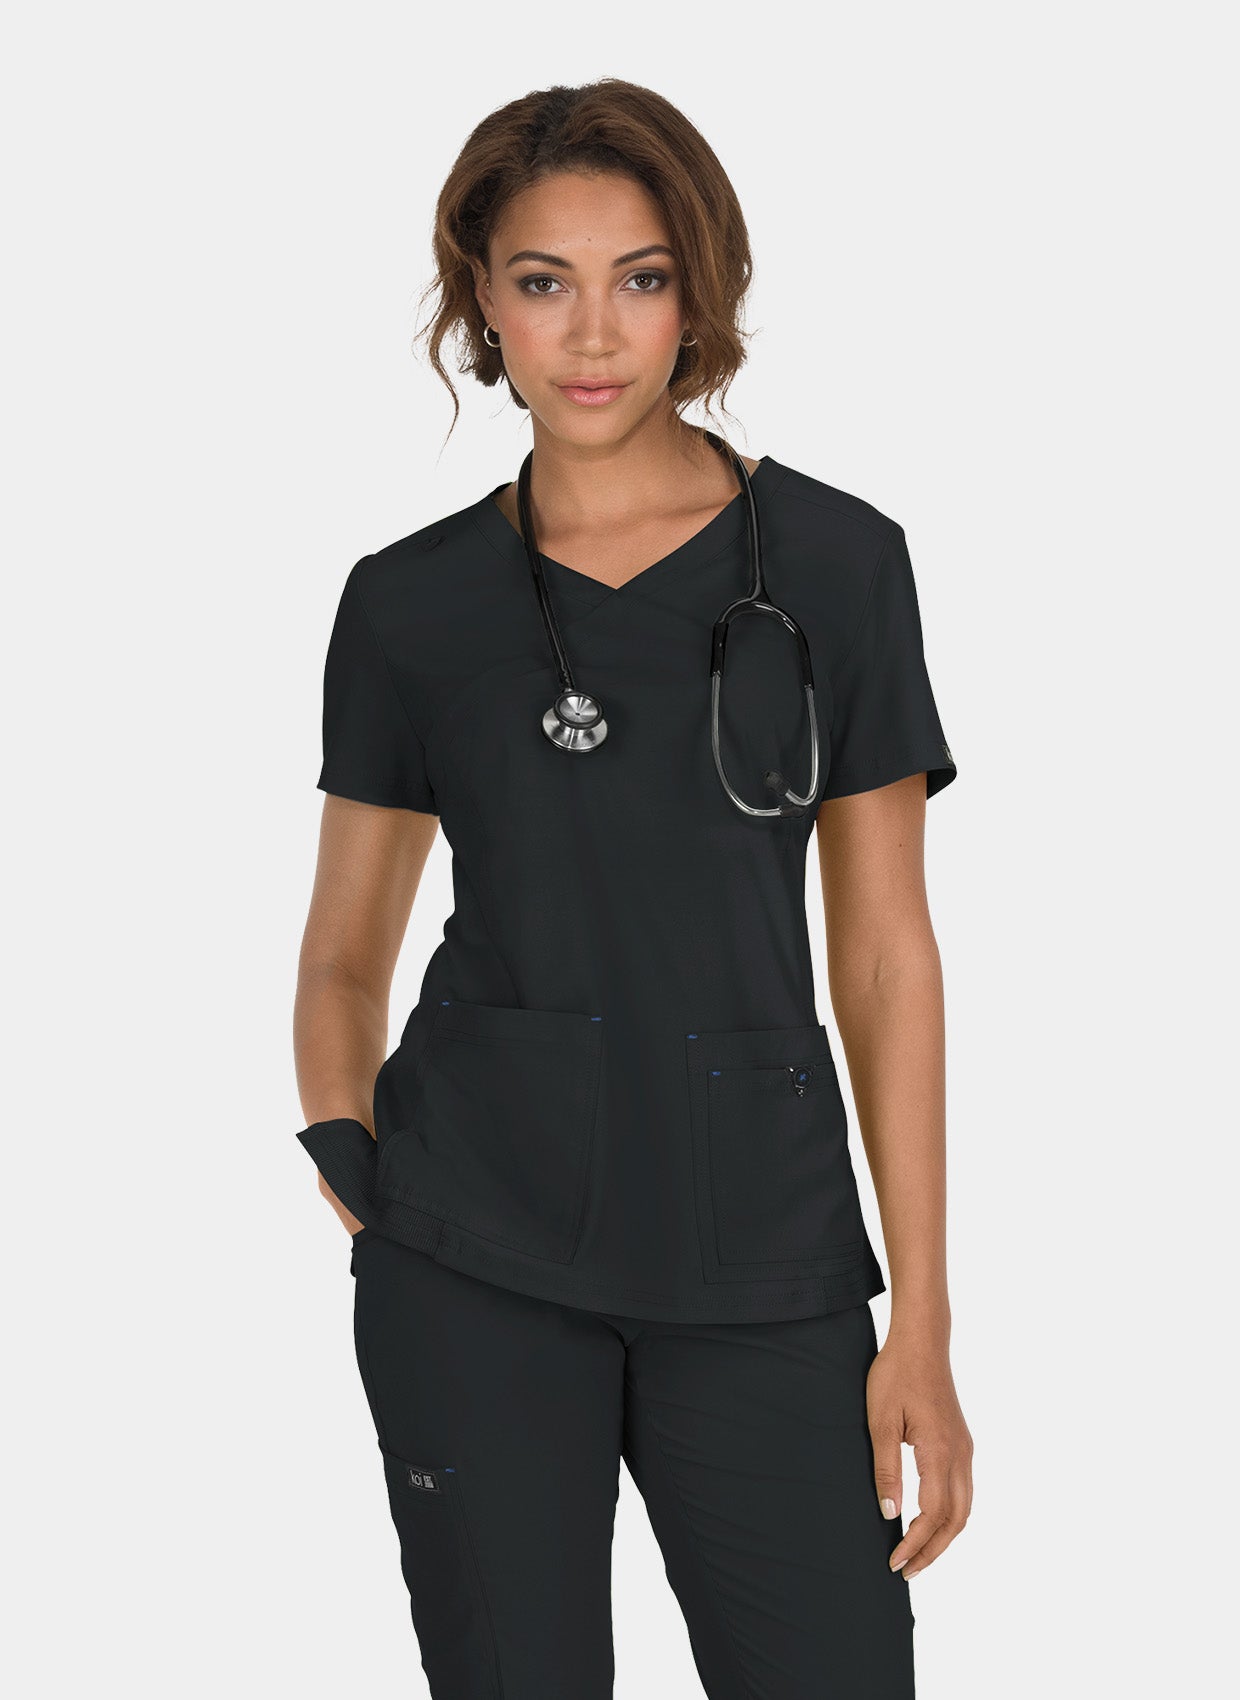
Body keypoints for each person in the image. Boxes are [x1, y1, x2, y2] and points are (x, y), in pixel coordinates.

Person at [293, 76, 972, 1700]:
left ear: (699, 294)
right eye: (544, 281)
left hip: (764, 1256)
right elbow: (342, 958)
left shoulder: (836, 566)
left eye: (641, 278)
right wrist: (358, 1168)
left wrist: (924, 1323)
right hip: (473, 1254)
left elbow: (886, 956)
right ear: (482, 300)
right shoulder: (411, 606)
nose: (592, 333)